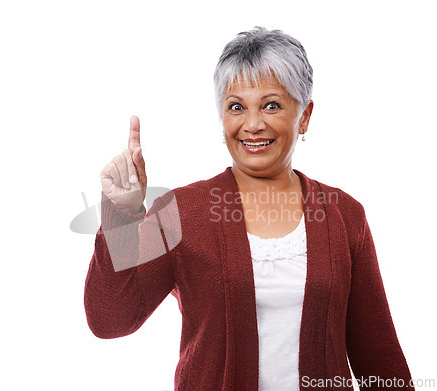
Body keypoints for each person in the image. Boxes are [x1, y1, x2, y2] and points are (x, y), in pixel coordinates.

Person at [84, 27, 414, 391]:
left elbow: (380, 361)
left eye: (271, 104)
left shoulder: (345, 216)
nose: (252, 124)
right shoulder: (180, 211)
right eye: (236, 106)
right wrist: (123, 215)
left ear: (304, 116)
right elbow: (110, 319)